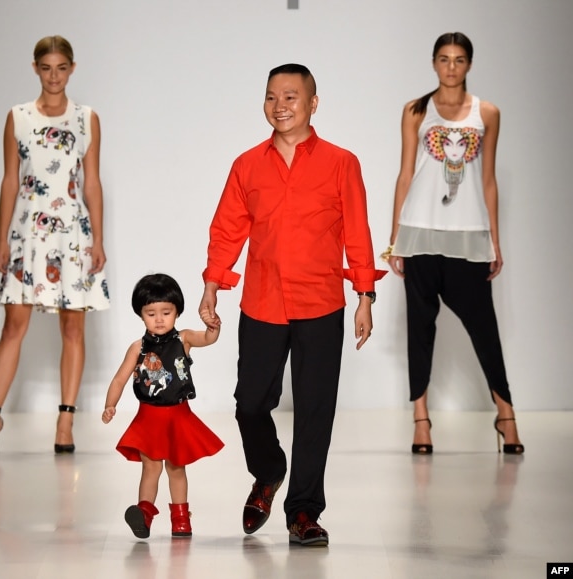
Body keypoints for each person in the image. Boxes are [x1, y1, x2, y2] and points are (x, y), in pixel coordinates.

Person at [199, 63, 385, 546]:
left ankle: (303, 510)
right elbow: (227, 229)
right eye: (270, 97)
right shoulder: (247, 165)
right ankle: (269, 470)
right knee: (249, 403)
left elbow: (357, 232)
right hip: (262, 300)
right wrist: (212, 285)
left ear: (313, 103)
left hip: (321, 301)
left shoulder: (342, 162)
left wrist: (364, 296)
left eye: (290, 97)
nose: (279, 106)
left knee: (315, 410)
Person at [384, 32, 524, 455]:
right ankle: (421, 420)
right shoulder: (415, 111)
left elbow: (488, 179)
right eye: (444, 59)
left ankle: (506, 415)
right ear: (433, 63)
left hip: (467, 234)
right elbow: (406, 173)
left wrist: (495, 241)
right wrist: (395, 239)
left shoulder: (488, 113)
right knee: (420, 328)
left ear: (469, 65)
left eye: (459, 60)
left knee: (485, 328)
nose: (451, 67)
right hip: (420, 232)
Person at [0, 35, 110, 455]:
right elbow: (10, 180)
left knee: (74, 328)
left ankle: (65, 423)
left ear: (72, 68)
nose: (54, 76)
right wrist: (1, 239)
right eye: (46, 68)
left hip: (72, 234)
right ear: (35, 68)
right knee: (13, 326)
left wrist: (99, 239)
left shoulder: (87, 118)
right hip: (28, 234)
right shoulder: (18, 117)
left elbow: (91, 182)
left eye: (61, 68)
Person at [102, 273, 224, 539]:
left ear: (177, 312)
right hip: (148, 418)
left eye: (166, 312)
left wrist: (213, 326)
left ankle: (181, 518)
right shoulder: (138, 347)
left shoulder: (185, 339)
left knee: (176, 467)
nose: (159, 319)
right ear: (141, 314)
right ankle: (143, 514)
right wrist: (110, 404)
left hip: (178, 416)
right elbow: (120, 378)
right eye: (151, 313)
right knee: (151, 467)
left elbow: (208, 338)